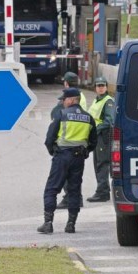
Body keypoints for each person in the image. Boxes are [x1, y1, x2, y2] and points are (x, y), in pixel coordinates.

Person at [38, 88, 97, 234]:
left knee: (52, 189)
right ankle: (71, 224)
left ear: (71, 100)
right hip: (78, 159)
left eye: (63, 99)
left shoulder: (61, 115)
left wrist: (54, 152)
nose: (62, 102)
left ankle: (48, 223)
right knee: (74, 190)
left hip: (62, 157)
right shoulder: (89, 118)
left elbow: (49, 139)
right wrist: (84, 153)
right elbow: (93, 142)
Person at [54, 71, 88, 209]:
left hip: (69, 140)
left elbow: (56, 114)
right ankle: (75, 198)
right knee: (75, 175)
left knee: (68, 174)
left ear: (66, 83)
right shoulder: (82, 96)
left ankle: (71, 198)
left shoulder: (69, 99)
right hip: (80, 140)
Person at [86, 77, 115, 202]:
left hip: (103, 137)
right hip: (97, 137)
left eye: (103, 85)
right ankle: (103, 190)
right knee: (97, 164)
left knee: (102, 164)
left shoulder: (108, 101)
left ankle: (102, 192)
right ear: (95, 87)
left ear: (107, 87)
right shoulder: (97, 100)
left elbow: (109, 121)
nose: (101, 87)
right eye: (98, 85)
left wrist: (95, 129)